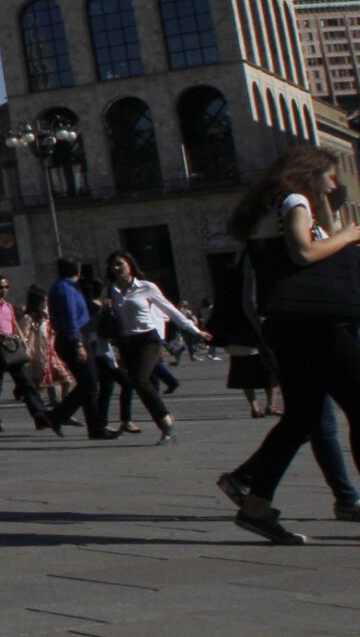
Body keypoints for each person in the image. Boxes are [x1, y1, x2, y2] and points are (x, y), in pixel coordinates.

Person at [217, 149, 360, 545]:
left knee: (301, 418)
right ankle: (259, 500)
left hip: (287, 327)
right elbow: (304, 253)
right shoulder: (295, 202)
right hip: (315, 325)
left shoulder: (268, 209)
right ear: (310, 174)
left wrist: (328, 216)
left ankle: (256, 506)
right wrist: (349, 235)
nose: (334, 184)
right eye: (330, 176)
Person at [99, 250, 201, 444]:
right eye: (113, 265)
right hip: (125, 342)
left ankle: (166, 422)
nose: (116, 268)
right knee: (138, 384)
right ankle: (164, 424)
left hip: (148, 339)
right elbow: (105, 320)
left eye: (120, 264)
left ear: (130, 265)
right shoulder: (109, 291)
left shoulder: (146, 287)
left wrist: (193, 330)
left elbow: (170, 309)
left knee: (140, 380)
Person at [42, 258, 113, 439]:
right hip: (74, 340)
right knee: (89, 384)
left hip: (77, 339)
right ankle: (55, 416)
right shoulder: (66, 290)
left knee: (87, 384)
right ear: (78, 270)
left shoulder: (65, 287)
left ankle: (95, 429)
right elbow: (70, 319)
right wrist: (77, 344)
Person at [0, 274, 50, 432]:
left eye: (6, 287)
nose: (3, 290)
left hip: (12, 349)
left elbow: (14, 323)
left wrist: (23, 341)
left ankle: (39, 416)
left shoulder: (8, 306)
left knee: (26, 383)